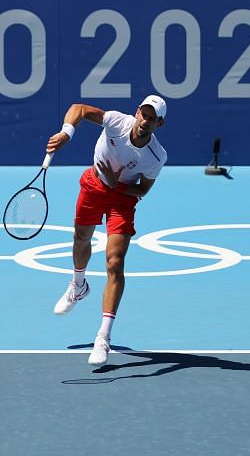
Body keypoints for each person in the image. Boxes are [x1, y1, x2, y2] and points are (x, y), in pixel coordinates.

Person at [45, 95, 168, 366]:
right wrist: (67, 133)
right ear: (137, 113)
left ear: (160, 123)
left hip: (122, 199)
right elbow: (78, 108)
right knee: (81, 240)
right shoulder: (116, 122)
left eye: (152, 118)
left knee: (115, 263)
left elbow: (143, 190)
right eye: (143, 114)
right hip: (94, 184)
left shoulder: (156, 157)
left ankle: (103, 337)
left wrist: (118, 186)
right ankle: (78, 285)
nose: (145, 121)